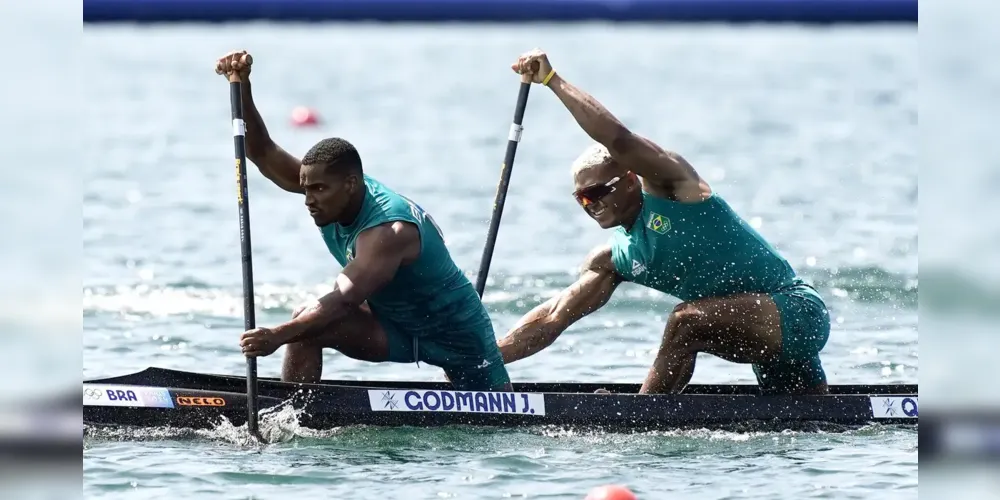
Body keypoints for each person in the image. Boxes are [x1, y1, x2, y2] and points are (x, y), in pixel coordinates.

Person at [496, 49, 831, 395]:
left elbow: (619, 140)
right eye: (581, 198)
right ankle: (652, 413)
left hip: (796, 312)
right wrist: (484, 359)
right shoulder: (614, 259)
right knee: (814, 421)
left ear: (630, 179)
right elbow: (552, 319)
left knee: (684, 322)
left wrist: (552, 81)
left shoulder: (673, 188)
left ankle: (642, 418)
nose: (589, 205)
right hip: (755, 331)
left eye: (597, 192)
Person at [214, 50, 511, 391]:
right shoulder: (332, 194)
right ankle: (290, 417)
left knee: (498, 419)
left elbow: (343, 301)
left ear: (351, 184)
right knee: (306, 325)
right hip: (394, 327)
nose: (309, 200)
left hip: (459, 338)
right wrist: (242, 87)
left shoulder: (388, 230)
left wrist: (275, 336)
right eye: (306, 189)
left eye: (319, 190)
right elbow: (262, 151)